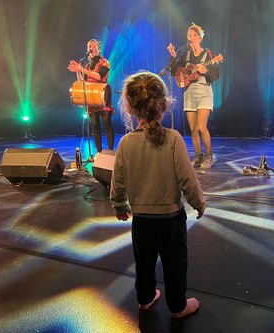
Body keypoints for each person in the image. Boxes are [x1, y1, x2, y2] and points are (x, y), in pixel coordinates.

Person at [110, 71, 205, 319]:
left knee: (144, 263)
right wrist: (198, 202)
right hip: (171, 219)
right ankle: (177, 306)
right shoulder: (173, 139)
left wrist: (119, 205)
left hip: (142, 220)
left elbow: (117, 179)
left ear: (129, 107)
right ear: (164, 105)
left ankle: (144, 298)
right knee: (175, 265)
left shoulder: (126, 143)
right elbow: (187, 178)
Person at [167, 22, 220, 169]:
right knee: (193, 129)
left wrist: (206, 72)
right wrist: (173, 57)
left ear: (200, 37)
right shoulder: (186, 55)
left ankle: (209, 156)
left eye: (194, 35)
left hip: (204, 92)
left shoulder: (208, 54)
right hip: (189, 93)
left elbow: (216, 74)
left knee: (202, 126)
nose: (191, 37)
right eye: (189, 35)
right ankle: (198, 156)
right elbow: (174, 72)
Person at [68, 39, 114, 153]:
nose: (91, 48)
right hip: (91, 98)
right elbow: (82, 84)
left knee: (107, 124)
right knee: (95, 126)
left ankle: (111, 152)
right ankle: (99, 153)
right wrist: (78, 72)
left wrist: (82, 69)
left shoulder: (104, 62)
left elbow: (99, 76)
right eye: (89, 46)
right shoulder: (87, 66)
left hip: (102, 96)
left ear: (98, 48)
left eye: (93, 46)